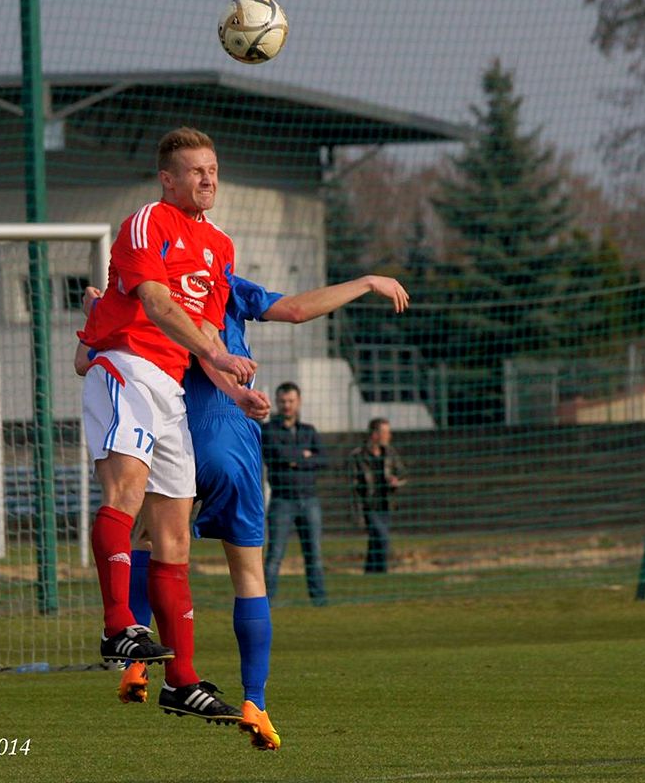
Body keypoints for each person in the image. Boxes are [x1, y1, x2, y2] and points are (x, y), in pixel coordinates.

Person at [77, 272, 409, 750]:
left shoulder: (143, 293)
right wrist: (366, 283)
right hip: (230, 432)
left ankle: (137, 658)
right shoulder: (218, 281)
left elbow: (86, 360)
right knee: (248, 575)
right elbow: (294, 309)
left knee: (155, 541)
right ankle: (255, 700)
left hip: (175, 423)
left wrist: (96, 313)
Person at [76, 126, 264, 725]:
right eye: (195, 171)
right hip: (127, 366)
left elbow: (208, 336)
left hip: (172, 389)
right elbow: (157, 303)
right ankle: (117, 630)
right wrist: (222, 357)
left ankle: (181, 681)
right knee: (125, 494)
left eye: (213, 169)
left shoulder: (220, 246)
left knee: (174, 536)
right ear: (168, 177)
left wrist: (237, 391)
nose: (208, 179)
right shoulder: (146, 223)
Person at [262, 382, 328, 605]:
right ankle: (266, 603)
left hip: (309, 499)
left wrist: (293, 459)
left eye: (290, 401)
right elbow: (277, 455)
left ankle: (319, 602)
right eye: (282, 401)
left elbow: (324, 460)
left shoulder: (309, 430)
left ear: (298, 401)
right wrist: (305, 456)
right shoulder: (268, 430)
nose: (286, 405)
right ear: (277, 402)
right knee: (275, 555)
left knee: (314, 556)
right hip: (282, 500)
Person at [349, 418, 407, 573]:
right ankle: (382, 572)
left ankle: (370, 573)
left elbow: (402, 473)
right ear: (375, 434)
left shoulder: (390, 453)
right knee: (382, 539)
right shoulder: (358, 456)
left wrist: (396, 481)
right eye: (385, 432)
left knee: (375, 541)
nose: (389, 436)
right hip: (369, 506)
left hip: (386, 504)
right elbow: (353, 484)